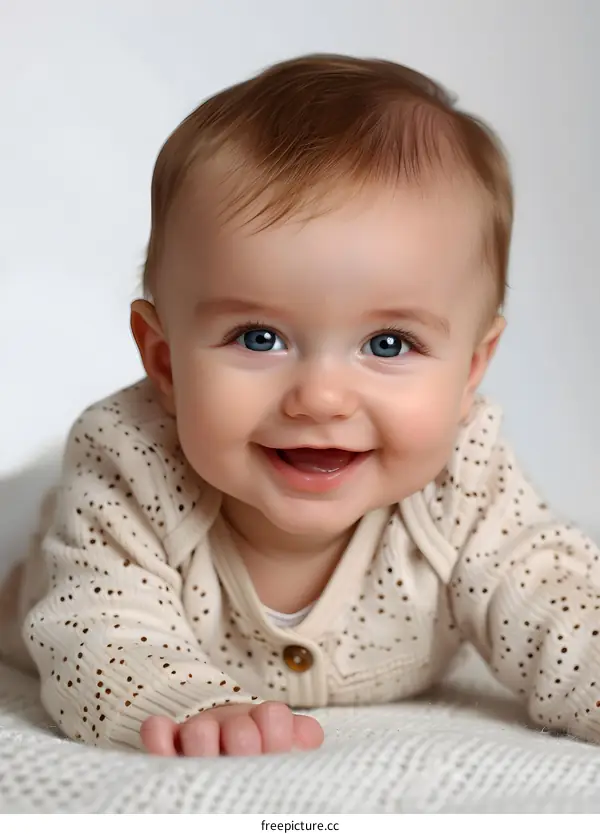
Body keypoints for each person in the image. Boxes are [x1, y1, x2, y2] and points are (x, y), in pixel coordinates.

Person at [6, 54, 600, 757]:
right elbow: (95, 629)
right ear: (165, 361)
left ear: (471, 371)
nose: (320, 397)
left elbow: (560, 603)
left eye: (388, 343)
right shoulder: (131, 460)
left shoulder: (463, 482)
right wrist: (186, 702)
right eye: (260, 338)